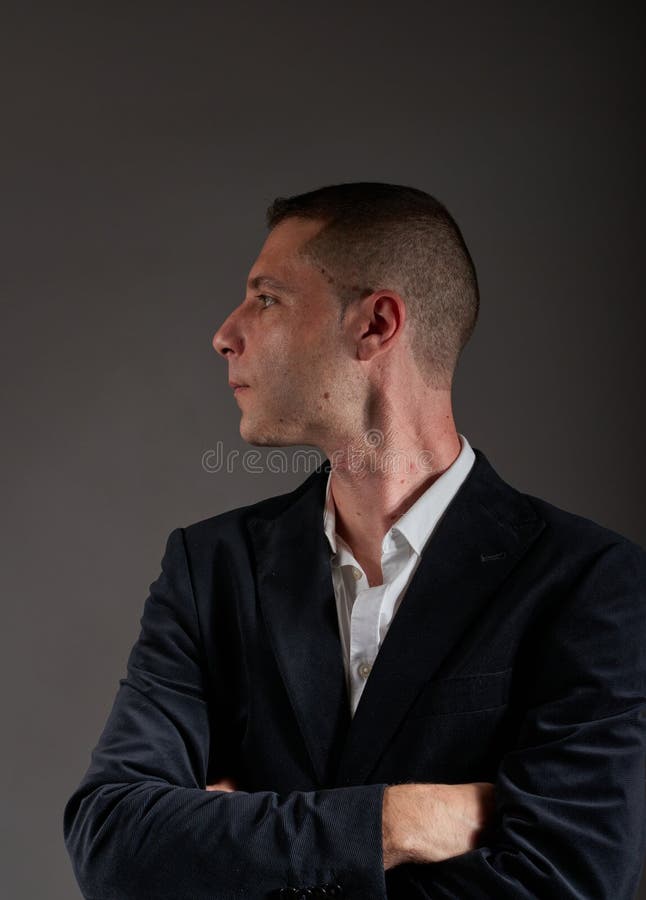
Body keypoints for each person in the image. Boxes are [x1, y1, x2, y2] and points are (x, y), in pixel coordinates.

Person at [64, 182, 646, 899]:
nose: (226, 333)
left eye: (267, 298)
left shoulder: (592, 583)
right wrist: (399, 819)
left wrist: (232, 839)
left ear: (374, 325)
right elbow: (112, 841)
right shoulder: (210, 570)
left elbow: (567, 882)